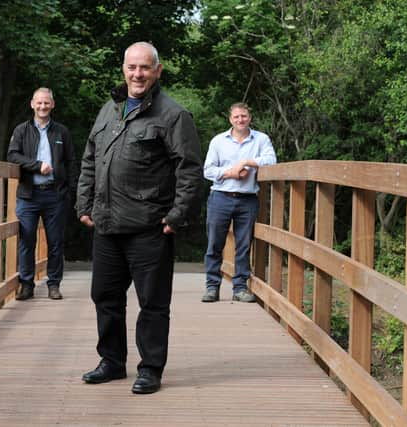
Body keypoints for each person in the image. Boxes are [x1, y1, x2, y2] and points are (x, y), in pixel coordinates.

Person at [76, 42, 203, 394]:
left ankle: (150, 369)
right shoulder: (109, 110)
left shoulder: (173, 115)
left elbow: (190, 169)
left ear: (157, 71)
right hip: (106, 223)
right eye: (132, 67)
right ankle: (112, 362)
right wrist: (83, 204)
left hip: (150, 226)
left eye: (145, 68)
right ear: (123, 69)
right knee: (105, 296)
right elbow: (90, 158)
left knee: (153, 302)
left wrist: (177, 216)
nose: (137, 74)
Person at [201, 102, 276, 303]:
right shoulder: (218, 141)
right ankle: (212, 287)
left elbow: (271, 160)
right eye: (236, 117)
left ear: (249, 117)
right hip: (220, 197)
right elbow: (208, 170)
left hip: (248, 199)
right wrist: (230, 173)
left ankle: (240, 288)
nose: (240, 120)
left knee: (243, 246)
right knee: (214, 243)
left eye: (243, 116)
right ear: (230, 119)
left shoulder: (260, 139)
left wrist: (246, 162)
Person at [7, 87, 77, 301]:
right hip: (29, 194)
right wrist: (37, 166)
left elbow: (71, 162)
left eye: (46, 103)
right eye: (39, 103)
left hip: (55, 195)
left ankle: (53, 284)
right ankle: (26, 284)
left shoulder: (62, 131)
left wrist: (72, 192)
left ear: (52, 105)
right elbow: (12, 155)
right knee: (26, 241)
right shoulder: (21, 130)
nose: (43, 106)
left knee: (55, 242)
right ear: (32, 104)